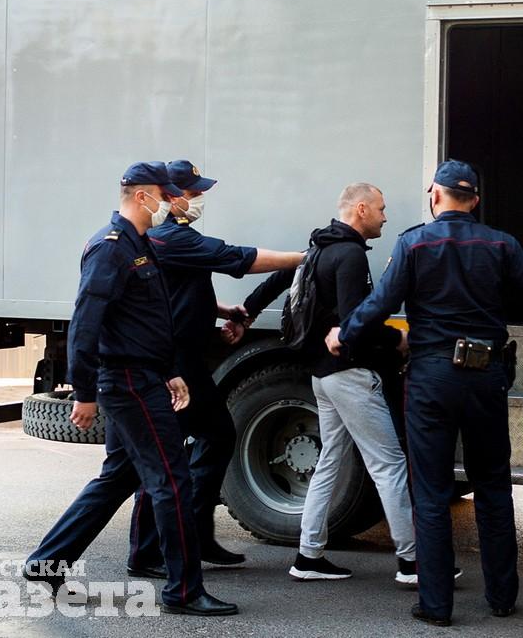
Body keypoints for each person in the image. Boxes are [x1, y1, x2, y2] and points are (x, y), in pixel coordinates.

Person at [326, 160, 523, 626]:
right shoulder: (500, 244)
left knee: (430, 492)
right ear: (475, 201)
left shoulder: (413, 242)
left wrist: (344, 335)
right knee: (493, 485)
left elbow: (379, 304)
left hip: (431, 379)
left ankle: (435, 605)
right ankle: (501, 597)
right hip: (486, 378)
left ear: (435, 195)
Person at [22, 161, 238, 616]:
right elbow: (86, 322)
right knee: (171, 480)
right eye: (167, 193)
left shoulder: (140, 244)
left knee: (120, 475)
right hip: (125, 381)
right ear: (143, 196)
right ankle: (183, 591)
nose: (175, 201)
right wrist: (83, 392)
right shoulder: (111, 247)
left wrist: (168, 370)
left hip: (145, 375)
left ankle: (47, 563)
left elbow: (148, 319)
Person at [125, 160, 304, 577]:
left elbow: (179, 290)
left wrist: (223, 309)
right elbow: (237, 258)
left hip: (187, 357)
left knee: (212, 437)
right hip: (172, 363)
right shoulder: (171, 237)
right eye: (193, 192)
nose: (199, 199)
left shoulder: (174, 239)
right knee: (169, 453)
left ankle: (195, 536)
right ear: (171, 196)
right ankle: (149, 552)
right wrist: (302, 256)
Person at [238, 183, 423, 585]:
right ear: (361, 209)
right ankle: (413, 563)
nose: (385, 216)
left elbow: (279, 280)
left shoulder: (319, 246)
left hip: (322, 377)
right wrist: (398, 339)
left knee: (328, 463)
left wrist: (246, 312)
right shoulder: (350, 254)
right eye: (381, 208)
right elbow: (357, 322)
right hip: (351, 374)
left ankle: (308, 556)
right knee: (389, 465)